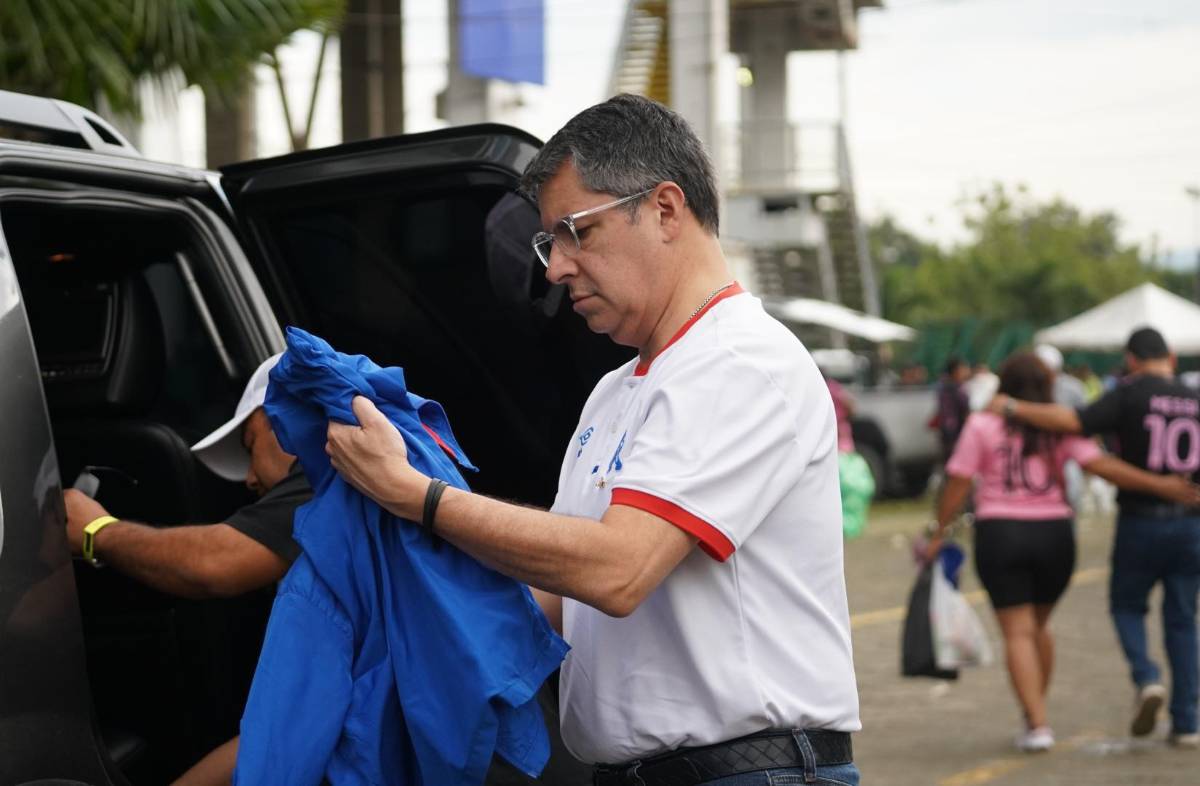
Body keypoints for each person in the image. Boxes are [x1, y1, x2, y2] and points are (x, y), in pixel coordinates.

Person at [326, 94, 861, 786]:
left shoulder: (738, 361)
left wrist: (420, 497)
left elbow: (618, 570)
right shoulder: (617, 392)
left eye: (575, 232)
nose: (554, 269)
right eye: (551, 242)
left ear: (665, 209)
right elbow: (560, 595)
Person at [932, 352, 1200, 753]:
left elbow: (958, 480)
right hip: (1055, 535)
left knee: (1017, 632)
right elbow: (1101, 466)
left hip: (1001, 533)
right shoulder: (1057, 427)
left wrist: (938, 530)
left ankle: (1037, 723)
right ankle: (1036, 713)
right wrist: (1161, 486)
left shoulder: (983, 423)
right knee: (1039, 626)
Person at [935, 356, 971, 459]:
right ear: (956, 371)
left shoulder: (946, 387)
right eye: (964, 368)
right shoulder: (954, 389)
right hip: (955, 436)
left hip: (950, 434)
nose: (967, 371)